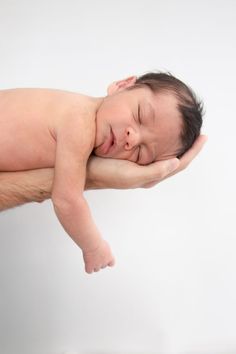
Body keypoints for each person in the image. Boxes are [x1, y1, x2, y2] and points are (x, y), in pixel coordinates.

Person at [0, 72, 204, 273]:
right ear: (122, 85)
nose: (131, 139)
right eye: (139, 115)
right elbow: (67, 200)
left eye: (142, 152)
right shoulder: (80, 121)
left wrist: (146, 177)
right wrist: (94, 247)